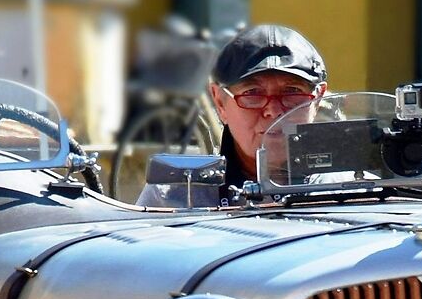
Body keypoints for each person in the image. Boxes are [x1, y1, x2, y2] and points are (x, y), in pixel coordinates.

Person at [136, 22, 325, 206]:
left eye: (292, 91)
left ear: (318, 99)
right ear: (220, 102)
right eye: (252, 92)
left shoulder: (345, 188)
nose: (273, 111)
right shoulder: (177, 195)